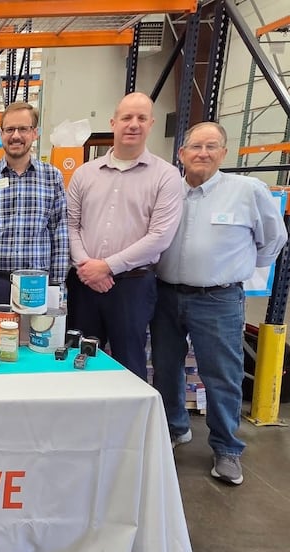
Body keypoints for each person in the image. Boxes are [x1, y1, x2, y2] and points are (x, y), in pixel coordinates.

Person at [151, 122, 287, 486]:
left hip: (219, 298)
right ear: (181, 154)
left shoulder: (247, 191)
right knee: (166, 369)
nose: (203, 153)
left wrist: (231, 268)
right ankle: (175, 428)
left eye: (212, 146)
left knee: (222, 376)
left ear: (224, 153)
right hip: (165, 294)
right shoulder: (168, 192)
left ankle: (227, 448)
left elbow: (273, 240)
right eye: (195, 147)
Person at [66, 92, 183, 380]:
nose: (133, 124)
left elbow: (159, 237)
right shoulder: (85, 174)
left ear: (151, 124)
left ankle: (127, 425)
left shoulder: (166, 177)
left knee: (129, 362)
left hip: (132, 286)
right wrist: (86, 267)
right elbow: (69, 225)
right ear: (113, 122)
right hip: (84, 284)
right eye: (127, 117)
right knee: (78, 359)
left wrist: (106, 267)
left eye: (141, 118)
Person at [0, 101, 69, 307]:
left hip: (37, 284)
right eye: (9, 129)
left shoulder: (52, 177)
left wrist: (57, 288)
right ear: (1, 134)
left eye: (23, 129)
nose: (16, 136)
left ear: (34, 133)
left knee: (35, 339)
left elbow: (60, 235)